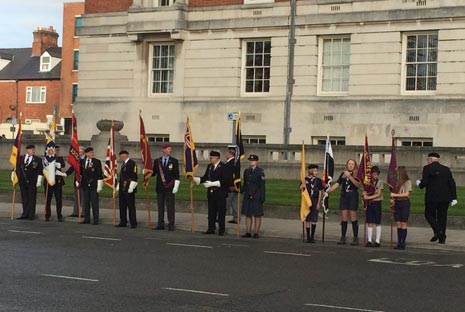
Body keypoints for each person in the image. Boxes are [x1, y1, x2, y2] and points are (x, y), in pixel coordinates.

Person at [417, 152, 457, 244]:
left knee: (429, 214)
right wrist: (454, 197)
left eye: (427, 160)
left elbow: (425, 182)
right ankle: (442, 238)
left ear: (430, 159)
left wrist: (419, 183)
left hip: (432, 197)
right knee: (442, 217)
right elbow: (451, 183)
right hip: (445, 197)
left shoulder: (427, 168)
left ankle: (438, 231)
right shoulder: (446, 169)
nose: (427, 161)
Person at [192, 151, 232, 236]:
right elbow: (206, 177)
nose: (210, 159)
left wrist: (213, 183)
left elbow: (226, 180)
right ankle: (211, 228)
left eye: (211, 158)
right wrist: (196, 179)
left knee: (221, 212)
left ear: (217, 158)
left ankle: (221, 229)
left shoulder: (224, 167)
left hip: (220, 192)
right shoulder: (209, 166)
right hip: (211, 193)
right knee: (211, 212)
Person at [327, 159, 361, 245]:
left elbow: (358, 185)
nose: (350, 165)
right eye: (349, 164)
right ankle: (343, 237)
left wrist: (350, 177)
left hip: (352, 195)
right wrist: (329, 190)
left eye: (352, 164)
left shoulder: (357, 175)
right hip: (344, 195)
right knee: (344, 216)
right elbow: (338, 183)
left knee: (353, 216)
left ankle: (355, 237)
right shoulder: (343, 174)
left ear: (355, 166)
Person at [152, 143, 180, 231]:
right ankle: (160, 223)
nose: (169, 151)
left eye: (170, 149)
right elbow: (154, 173)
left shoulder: (174, 161)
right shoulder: (157, 161)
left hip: (170, 187)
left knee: (170, 206)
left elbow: (177, 175)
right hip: (160, 187)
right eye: (168, 149)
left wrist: (176, 186)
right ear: (163, 150)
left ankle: (171, 224)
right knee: (160, 206)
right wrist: (147, 171)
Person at [15, 144, 43, 220]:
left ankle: (31, 215)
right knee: (24, 198)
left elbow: (40, 171)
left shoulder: (38, 160)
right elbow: (17, 168)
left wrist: (39, 180)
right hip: (23, 182)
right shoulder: (20, 158)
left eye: (34, 149)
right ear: (27, 150)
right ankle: (25, 214)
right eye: (31, 149)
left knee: (32, 198)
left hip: (32, 182)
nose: (33, 151)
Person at [241, 154, 266, 239]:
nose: (251, 162)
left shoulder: (260, 171)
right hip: (247, 195)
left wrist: (262, 196)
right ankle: (248, 231)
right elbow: (245, 183)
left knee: (257, 215)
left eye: (253, 160)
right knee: (248, 214)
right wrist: (241, 190)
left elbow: (262, 185)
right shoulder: (247, 171)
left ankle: (256, 232)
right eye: (250, 160)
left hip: (256, 195)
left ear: (256, 161)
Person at [79, 147, 103, 225]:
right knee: (86, 203)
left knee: (94, 203)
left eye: (92, 152)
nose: (92, 154)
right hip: (85, 185)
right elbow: (79, 172)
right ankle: (87, 218)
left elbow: (99, 174)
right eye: (90, 152)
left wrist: (99, 185)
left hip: (93, 185)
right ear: (86, 154)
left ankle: (96, 219)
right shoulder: (82, 161)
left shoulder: (97, 162)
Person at [300, 164, 323, 243]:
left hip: (315, 200)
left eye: (316, 171)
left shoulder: (318, 180)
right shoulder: (305, 179)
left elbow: (320, 192)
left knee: (314, 218)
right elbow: (301, 189)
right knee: (308, 219)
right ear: (310, 171)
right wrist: (302, 186)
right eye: (314, 170)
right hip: (307, 200)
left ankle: (312, 236)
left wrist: (318, 203)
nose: (316, 172)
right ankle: (308, 236)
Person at [391, 166, 412, 250]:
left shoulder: (407, 182)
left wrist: (395, 195)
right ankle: (399, 242)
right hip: (397, 202)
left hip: (404, 202)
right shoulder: (396, 183)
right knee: (398, 223)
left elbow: (406, 194)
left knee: (403, 223)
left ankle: (403, 243)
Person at [116, 150, 138, 228]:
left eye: (123, 156)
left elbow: (134, 176)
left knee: (131, 206)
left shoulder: (132, 163)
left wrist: (131, 187)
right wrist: (118, 186)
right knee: (122, 205)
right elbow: (122, 176)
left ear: (127, 155)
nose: (122, 158)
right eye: (121, 157)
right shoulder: (123, 164)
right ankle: (123, 221)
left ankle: (133, 222)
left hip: (129, 187)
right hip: (122, 187)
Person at [362, 166, 383, 247]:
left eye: (377, 174)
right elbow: (366, 192)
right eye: (374, 174)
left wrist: (368, 197)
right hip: (370, 204)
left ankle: (377, 241)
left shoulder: (379, 182)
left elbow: (378, 194)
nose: (376, 176)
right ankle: (369, 240)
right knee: (370, 221)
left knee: (377, 221)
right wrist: (364, 194)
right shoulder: (368, 183)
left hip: (377, 203)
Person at [44, 145, 66, 222]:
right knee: (48, 199)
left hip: (57, 181)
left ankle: (59, 215)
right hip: (49, 181)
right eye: (56, 150)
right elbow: (44, 167)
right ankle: (47, 215)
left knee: (58, 199)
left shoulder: (60, 158)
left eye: (58, 150)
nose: (57, 152)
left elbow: (63, 165)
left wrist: (55, 163)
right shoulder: (47, 158)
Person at [67, 146, 86, 218]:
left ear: (83, 152)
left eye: (80, 152)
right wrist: (66, 174)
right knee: (77, 197)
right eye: (78, 152)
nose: (79, 153)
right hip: (77, 180)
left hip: (84, 181)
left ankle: (84, 212)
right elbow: (72, 168)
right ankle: (76, 212)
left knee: (84, 197)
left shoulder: (86, 159)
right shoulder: (77, 160)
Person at [225, 147, 240, 224]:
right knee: (234, 203)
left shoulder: (232, 162)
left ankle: (220, 216)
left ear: (230, 154)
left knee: (226, 202)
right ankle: (236, 218)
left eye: (227, 153)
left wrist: (231, 185)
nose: (226, 154)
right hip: (234, 185)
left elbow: (232, 175)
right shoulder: (233, 162)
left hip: (231, 186)